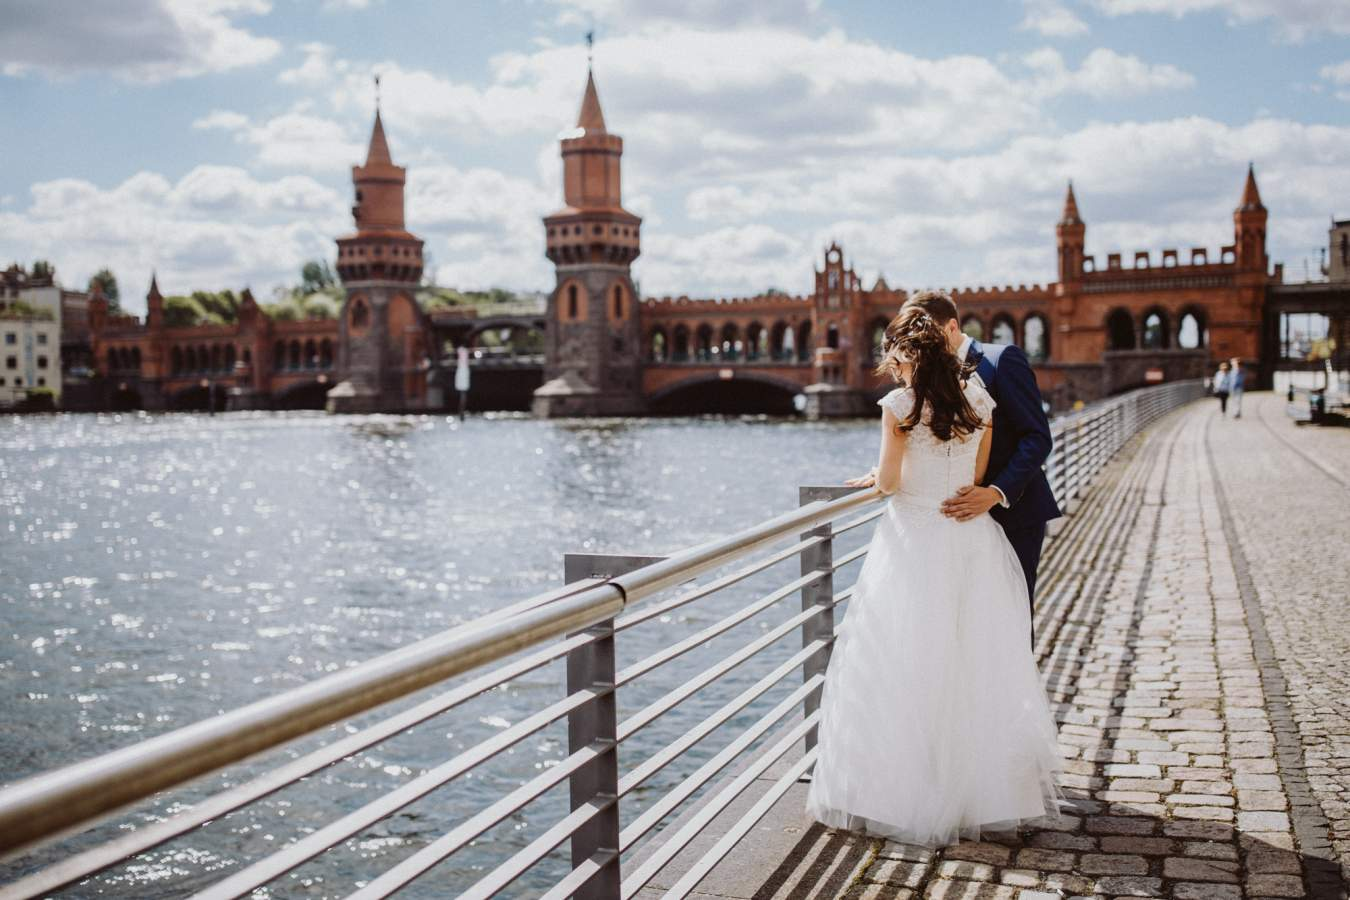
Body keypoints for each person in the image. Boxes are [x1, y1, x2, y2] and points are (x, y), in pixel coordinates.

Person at [804, 303, 1065, 848]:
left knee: (905, 660)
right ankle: (984, 792)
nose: (891, 368)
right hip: (969, 536)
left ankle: (906, 789)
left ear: (904, 354)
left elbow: (893, 484)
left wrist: (880, 475)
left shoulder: (898, 404)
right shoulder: (978, 399)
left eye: (893, 358)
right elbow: (970, 475)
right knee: (974, 659)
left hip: (914, 540)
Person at [903, 292, 1062, 647]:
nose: (921, 345)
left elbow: (1037, 437)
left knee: (1012, 619)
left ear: (953, 326)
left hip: (1013, 513)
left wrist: (995, 493)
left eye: (927, 333)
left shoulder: (1001, 360)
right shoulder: (928, 372)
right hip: (956, 526)